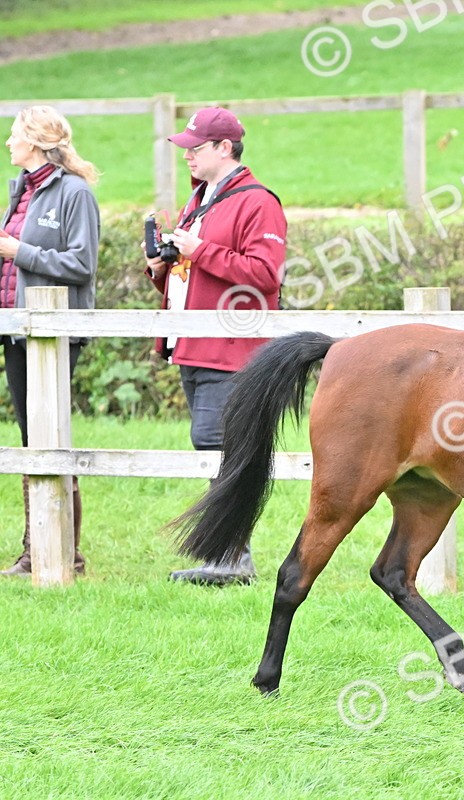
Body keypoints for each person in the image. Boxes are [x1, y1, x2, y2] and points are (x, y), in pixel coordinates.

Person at [144, 106, 286, 586]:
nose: (187, 157)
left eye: (195, 149)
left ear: (225, 148)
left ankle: (230, 559)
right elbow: (198, 270)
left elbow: (265, 275)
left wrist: (198, 251)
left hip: (231, 348)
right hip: (195, 343)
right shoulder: (202, 198)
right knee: (214, 446)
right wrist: (162, 266)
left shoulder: (257, 202)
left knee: (220, 445)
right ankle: (228, 557)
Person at [0, 106, 100, 577]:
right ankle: (36, 549)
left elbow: (81, 264)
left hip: (52, 332)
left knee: (47, 436)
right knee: (31, 437)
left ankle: (62, 555)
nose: (8, 142)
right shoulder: (21, 189)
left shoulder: (75, 193)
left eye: (14, 134)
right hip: (18, 329)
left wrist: (20, 251)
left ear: (37, 141)